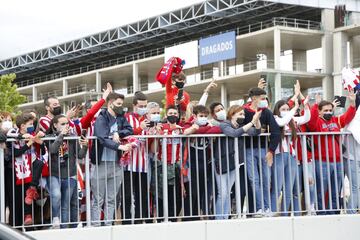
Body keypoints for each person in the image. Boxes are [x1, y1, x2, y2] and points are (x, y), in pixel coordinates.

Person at [307, 90, 356, 215]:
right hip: (322, 161)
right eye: (325, 110)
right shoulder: (316, 121)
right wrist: (315, 106)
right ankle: (321, 213)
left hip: (338, 161)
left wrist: (352, 104)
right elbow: (311, 123)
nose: (328, 112)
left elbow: (348, 117)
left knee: (335, 190)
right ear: (320, 111)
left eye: (330, 110)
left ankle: (334, 212)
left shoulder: (336, 120)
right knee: (321, 190)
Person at [90, 92, 133, 226]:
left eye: (122, 104)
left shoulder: (121, 117)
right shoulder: (101, 117)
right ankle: (96, 226)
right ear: (110, 103)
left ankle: (109, 225)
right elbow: (102, 137)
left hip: (116, 163)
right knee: (98, 199)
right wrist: (120, 147)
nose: (121, 107)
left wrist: (117, 133)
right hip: (101, 163)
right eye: (118, 104)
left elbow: (129, 129)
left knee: (112, 199)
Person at [215, 105, 261, 219]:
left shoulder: (242, 125)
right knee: (223, 193)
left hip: (235, 163)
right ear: (232, 114)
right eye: (240, 114)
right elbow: (234, 133)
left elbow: (257, 132)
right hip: (222, 163)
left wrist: (257, 120)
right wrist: (251, 122)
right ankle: (218, 219)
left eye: (243, 114)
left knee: (228, 192)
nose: (243, 116)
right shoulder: (224, 124)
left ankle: (224, 217)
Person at [242, 87, 281, 216]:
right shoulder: (244, 111)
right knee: (254, 180)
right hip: (248, 150)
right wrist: (256, 130)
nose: (265, 101)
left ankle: (267, 207)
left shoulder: (267, 112)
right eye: (263, 98)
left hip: (264, 149)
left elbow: (276, 131)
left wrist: (271, 151)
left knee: (266, 179)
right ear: (254, 98)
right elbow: (242, 128)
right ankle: (259, 208)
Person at [46, 115, 88, 228]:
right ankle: (56, 219)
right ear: (55, 125)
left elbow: (80, 155)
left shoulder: (72, 137)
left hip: (70, 174)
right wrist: (61, 135)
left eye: (67, 124)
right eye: (63, 124)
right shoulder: (49, 136)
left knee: (66, 204)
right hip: (55, 174)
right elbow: (52, 150)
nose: (66, 126)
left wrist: (85, 146)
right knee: (57, 195)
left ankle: (66, 228)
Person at [271, 94, 310, 215]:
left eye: (287, 109)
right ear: (277, 110)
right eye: (283, 109)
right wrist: (294, 108)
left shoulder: (292, 120)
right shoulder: (274, 118)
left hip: (292, 157)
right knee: (277, 188)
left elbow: (306, 118)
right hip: (278, 156)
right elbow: (282, 122)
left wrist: (306, 105)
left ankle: (284, 214)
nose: (286, 111)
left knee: (289, 189)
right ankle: (271, 214)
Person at [9, 113, 46, 226]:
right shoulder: (14, 134)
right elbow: (15, 153)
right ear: (22, 126)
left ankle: (32, 189)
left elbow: (43, 152)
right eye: (30, 124)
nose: (32, 126)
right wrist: (28, 143)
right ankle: (16, 227)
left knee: (29, 196)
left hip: (31, 171)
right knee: (18, 202)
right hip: (18, 172)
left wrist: (41, 142)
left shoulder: (32, 134)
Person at [122, 91, 151, 224]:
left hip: (143, 164)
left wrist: (154, 132)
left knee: (142, 194)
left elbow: (150, 142)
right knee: (127, 194)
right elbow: (125, 135)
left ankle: (140, 221)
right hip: (128, 163)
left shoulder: (148, 119)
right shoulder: (127, 118)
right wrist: (140, 128)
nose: (143, 108)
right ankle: (126, 221)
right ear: (134, 105)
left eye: (145, 105)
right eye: (141, 105)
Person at [183, 105, 214, 220]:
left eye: (206, 116)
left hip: (204, 164)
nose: (204, 118)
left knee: (201, 192)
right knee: (192, 192)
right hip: (191, 164)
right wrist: (197, 129)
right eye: (201, 116)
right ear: (194, 116)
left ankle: (197, 216)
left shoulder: (208, 125)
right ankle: (188, 217)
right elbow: (186, 131)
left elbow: (216, 130)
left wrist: (203, 129)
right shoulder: (189, 124)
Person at [153, 105, 183, 221]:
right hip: (162, 165)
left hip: (176, 165)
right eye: (170, 113)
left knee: (175, 194)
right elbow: (153, 149)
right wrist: (158, 134)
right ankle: (162, 218)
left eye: (175, 113)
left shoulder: (180, 128)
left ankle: (173, 217)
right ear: (166, 115)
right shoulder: (162, 127)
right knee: (162, 193)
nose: (173, 115)